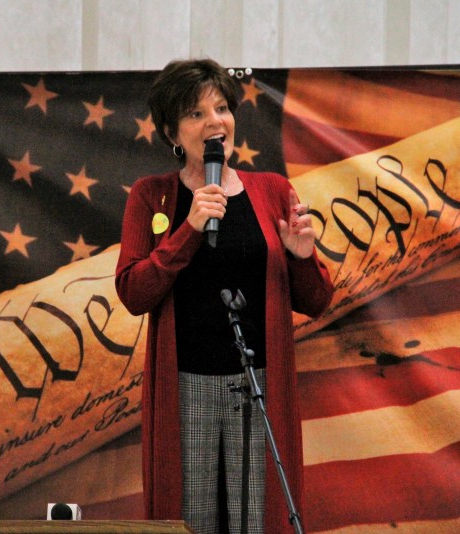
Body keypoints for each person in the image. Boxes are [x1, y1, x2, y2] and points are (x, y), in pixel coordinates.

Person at [115, 58, 334, 534]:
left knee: (256, 521)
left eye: (221, 108)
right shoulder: (151, 196)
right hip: (187, 389)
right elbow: (133, 292)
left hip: (259, 386)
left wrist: (300, 256)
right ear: (173, 133)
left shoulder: (274, 190)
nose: (215, 122)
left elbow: (317, 302)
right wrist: (188, 230)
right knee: (193, 522)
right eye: (196, 114)